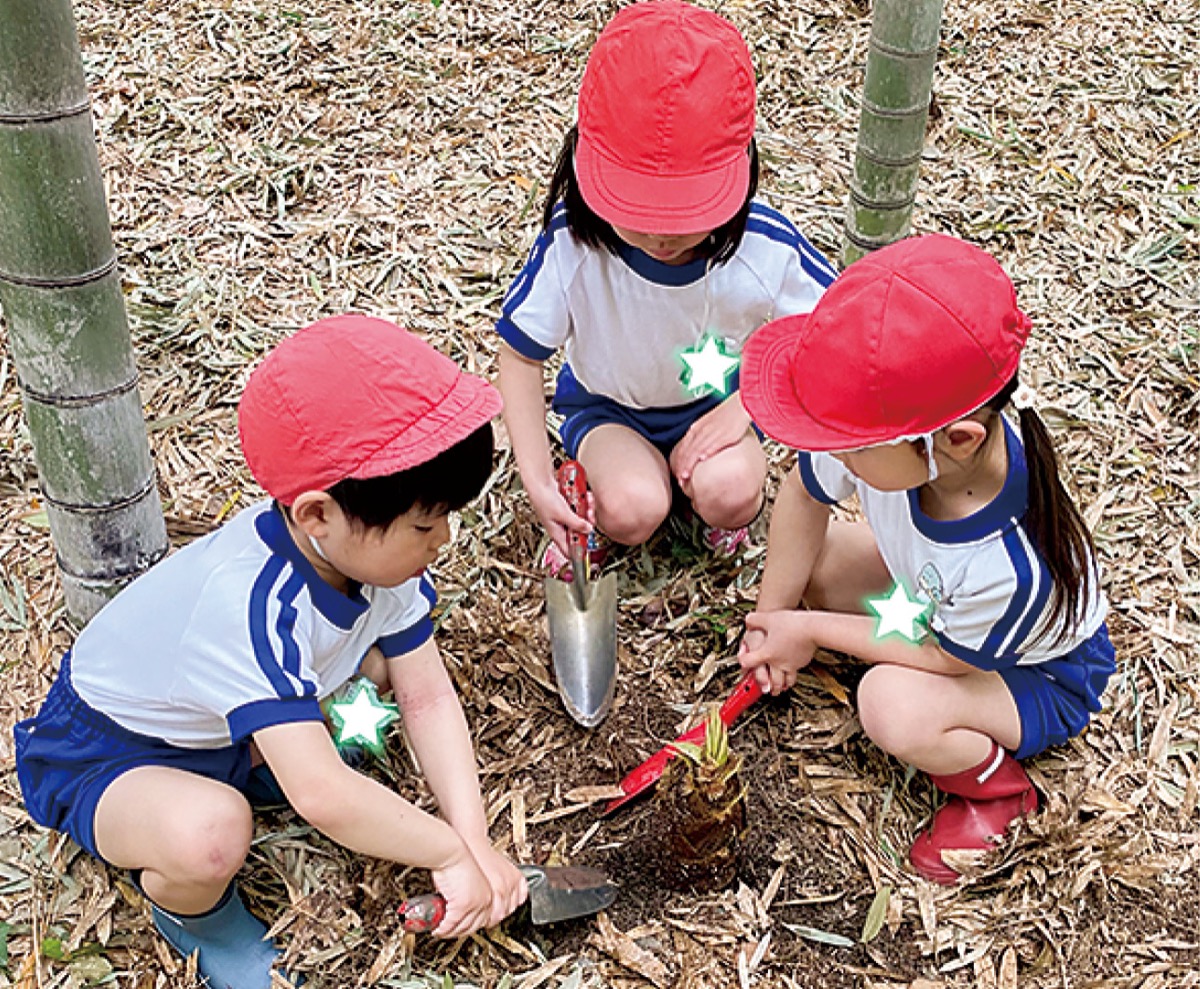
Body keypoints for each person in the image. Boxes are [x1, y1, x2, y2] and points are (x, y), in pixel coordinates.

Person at [14, 315, 528, 988]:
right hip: (107, 749)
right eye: (425, 524)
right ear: (318, 514)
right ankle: (193, 913)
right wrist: (445, 849)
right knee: (212, 834)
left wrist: (476, 839)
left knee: (382, 670)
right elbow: (321, 795)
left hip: (211, 724)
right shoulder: (250, 606)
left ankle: (259, 758)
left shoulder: (375, 561)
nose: (444, 541)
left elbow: (426, 692)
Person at [736, 235, 1115, 885]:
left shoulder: (1009, 563)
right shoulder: (896, 424)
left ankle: (999, 792)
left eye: (852, 449)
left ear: (956, 440)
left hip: (1032, 674)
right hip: (937, 601)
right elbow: (804, 492)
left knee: (890, 703)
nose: (838, 457)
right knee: (819, 567)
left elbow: (943, 656)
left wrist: (810, 630)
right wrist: (773, 618)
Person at [496, 0, 836, 577]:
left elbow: (832, 329)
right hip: (606, 407)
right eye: (636, 208)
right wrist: (534, 476)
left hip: (714, 400)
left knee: (732, 492)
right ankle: (603, 498)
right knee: (634, 509)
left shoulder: (764, 248)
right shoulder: (575, 246)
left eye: (684, 211)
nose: (659, 235)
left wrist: (749, 407)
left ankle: (716, 512)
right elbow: (519, 354)